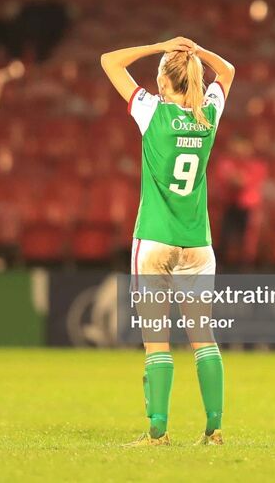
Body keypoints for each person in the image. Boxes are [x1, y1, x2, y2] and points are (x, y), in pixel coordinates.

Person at [100, 37, 235, 446]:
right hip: (197, 241)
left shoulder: (151, 111)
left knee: (156, 337)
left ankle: (158, 431)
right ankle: (214, 429)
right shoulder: (208, 113)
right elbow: (227, 71)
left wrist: (161, 45)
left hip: (155, 238)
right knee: (203, 336)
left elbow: (109, 60)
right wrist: (198, 52)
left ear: (162, 82)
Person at [216, 135, 267, 266]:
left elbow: (244, 183)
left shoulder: (257, 166)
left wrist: (237, 179)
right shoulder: (225, 163)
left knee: (247, 240)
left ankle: (245, 267)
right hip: (228, 205)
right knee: (224, 238)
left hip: (248, 207)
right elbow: (227, 180)